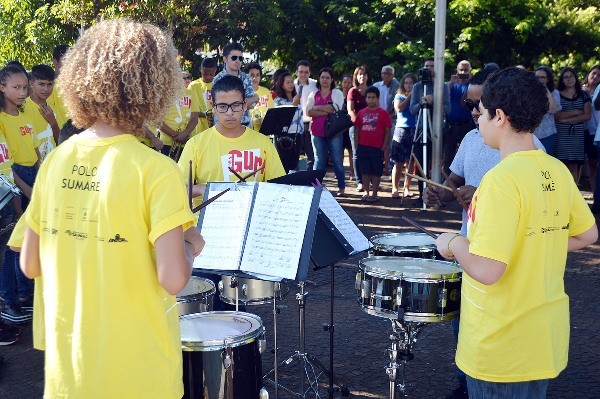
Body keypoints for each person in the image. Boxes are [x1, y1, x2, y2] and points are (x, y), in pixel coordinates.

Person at [19, 19, 205, 398]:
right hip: (138, 372)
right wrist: (189, 245)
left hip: (69, 374)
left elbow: (30, 264)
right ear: (155, 86)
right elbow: (173, 279)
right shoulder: (156, 169)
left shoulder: (55, 161)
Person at [435, 67, 597, 399]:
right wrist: (537, 242)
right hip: (543, 340)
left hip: (501, 348)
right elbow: (588, 235)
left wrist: (452, 243)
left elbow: (488, 269)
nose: (477, 120)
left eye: (481, 113)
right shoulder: (555, 169)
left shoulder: (499, 180)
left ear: (500, 117)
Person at [424, 67, 545, 399]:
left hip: (496, 264)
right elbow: (454, 180)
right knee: (462, 327)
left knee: (497, 346)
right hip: (473, 254)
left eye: (480, 106)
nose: (475, 113)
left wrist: (454, 242)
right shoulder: (470, 138)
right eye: (470, 105)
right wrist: (444, 193)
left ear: (499, 110)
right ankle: (468, 386)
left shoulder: (531, 153)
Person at [178, 74, 284, 311]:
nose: (230, 113)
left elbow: (279, 190)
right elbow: (174, 193)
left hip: (246, 237)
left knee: (238, 311)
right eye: (223, 106)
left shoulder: (262, 143)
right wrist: (199, 189)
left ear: (244, 105)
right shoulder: (196, 144)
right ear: (213, 107)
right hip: (205, 240)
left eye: (236, 105)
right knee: (205, 310)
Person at [409, 57, 451, 199]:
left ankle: (436, 195)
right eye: (426, 66)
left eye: (432, 66)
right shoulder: (417, 87)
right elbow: (412, 109)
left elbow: (448, 109)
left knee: (437, 164)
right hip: (421, 130)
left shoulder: (443, 86)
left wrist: (434, 101)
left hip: (437, 130)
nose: (429, 69)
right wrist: (422, 103)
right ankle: (422, 195)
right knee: (421, 165)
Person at [306, 67, 346, 196]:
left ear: (332, 79)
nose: (325, 80)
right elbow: (308, 111)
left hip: (334, 132)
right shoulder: (313, 94)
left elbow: (335, 109)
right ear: (319, 78)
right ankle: (316, 187)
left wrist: (316, 108)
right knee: (319, 161)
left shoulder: (337, 93)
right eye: (322, 77)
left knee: (337, 160)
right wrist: (324, 109)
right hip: (316, 132)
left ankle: (341, 187)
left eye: (328, 77)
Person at [554, 67, 592, 182]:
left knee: (574, 165)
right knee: (560, 164)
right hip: (561, 135)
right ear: (562, 80)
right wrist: (576, 112)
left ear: (575, 78)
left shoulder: (584, 95)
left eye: (571, 76)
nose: (569, 79)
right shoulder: (557, 94)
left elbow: (587, 116)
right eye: (565, 77)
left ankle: (573, 194)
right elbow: (557, 115)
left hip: (577, 136)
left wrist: (566, 119)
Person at [354, 86, 391, 202]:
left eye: (373, 97)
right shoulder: (361, 113)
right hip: (362, 147)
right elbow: (357, 130)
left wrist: (383, 147)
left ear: (378, 98)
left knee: (376, 172)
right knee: (364, 171)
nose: (371, 100)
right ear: (365, 99)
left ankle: (374, 193)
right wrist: (356, 146)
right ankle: (366, 192)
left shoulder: (383, 113)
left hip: (377, 148)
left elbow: (387, 130)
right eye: (368, 97)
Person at [155, 71, 200, 161]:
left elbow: (195, 118)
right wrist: (176, 136)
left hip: (188, 140)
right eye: (183, 78)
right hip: (167, 142)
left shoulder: (191, 93)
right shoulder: (161, 95)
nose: (186, 80)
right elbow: (158, 120)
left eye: (188, 77)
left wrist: (184, 134)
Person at [212, 42, 258, 127]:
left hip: (245, 125)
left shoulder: (247, 78)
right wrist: (255, 98)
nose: (238, 61)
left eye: (240, 58)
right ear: (225, 59)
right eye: (234, 58)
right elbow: (221, 106)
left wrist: (249, 101)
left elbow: (251, 105)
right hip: (223, 126)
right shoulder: (218, 79)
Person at [23, 64, 60, 160]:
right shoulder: (22, 109)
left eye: (49, 84)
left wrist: (53, 123)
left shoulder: (54, 110)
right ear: (31, 84)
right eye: (41, 84)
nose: (46, 89)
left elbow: (61, 142)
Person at [443, 60, 474, 175]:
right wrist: (451, 83)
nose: (463, 72)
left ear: (470, 71)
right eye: (461, 70)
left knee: (468, 156)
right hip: (450, 125)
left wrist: (471, 82)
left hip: (466, 125)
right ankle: (445, 183)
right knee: (448, 157)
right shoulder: (449, 85)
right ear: (457, 71)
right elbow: (441, 97)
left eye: (466, 70)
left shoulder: (472, 85)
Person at [391, 73, 417, 198]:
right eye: (406, 83)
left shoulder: (417, 96)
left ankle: (406, 188)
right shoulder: (399, 96)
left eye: (410, 83)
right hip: (401, 130)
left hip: (414, 129)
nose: (408, 85)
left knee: (410, 162)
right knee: (399, 162)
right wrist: (409, 96)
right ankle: (395, 188)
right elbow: (399, 108)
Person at [347, 66, 372, 191]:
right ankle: (359, 181)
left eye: (364, 74)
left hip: (371, 127)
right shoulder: (352, 91)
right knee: (356, 154)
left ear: (368, 76)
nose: (362, 77)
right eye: (359, 74)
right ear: (356, 77)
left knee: (370, 153)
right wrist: (358, 122)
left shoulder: (371, 91)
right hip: (355, 126)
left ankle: (370, 179)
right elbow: (350, 110)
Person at [273, 71, 303, 172]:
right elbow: (283, 117)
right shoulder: (278, 100)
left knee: (294, 163)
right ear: (282, 84)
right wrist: (293, 105)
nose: (291, 84)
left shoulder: (296, 98)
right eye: (288, 82)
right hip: (284, 135)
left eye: (291, 82)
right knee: (284, 164)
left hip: (297, 135)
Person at [294, 60, 317, 171]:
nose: (303, 74)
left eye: (306, 72)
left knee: (311, 155)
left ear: (309, 73)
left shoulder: (315, 84)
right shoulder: (291, 85)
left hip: (310, 123)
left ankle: (309, 179)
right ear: (296, 72)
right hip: (295, 124)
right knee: (295, 154)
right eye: (301, 72)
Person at [533, 66, 561, 155]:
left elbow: (553, 109)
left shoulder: (554, 93)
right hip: (531, 134)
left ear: (548, 79)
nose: (540, 79)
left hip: (548, 134)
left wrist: (545, 89)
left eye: (542, 77)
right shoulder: (529, 92)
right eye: (537, 77)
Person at [582, 65, 600, 192]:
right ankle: (594, 194)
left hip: (596, 132)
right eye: (594, 73)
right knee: (591, 165)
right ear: (588, 74)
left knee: (596, 164)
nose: (595, 77)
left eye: (599, 75)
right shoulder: (579, 90)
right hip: (582, 131)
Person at [189, 57, 218, 135]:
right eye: (205, 74)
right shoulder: (193, 86)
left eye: (211, 74)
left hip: (217, 128)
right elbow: (189, 109)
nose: (208, 76)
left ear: (215, 70)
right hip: (198, 129)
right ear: (200, 69)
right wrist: (206, 115)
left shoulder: (219, 84)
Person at [245, 62, 274, 132]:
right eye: (252, 75)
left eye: (257, 75)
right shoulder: (242, 93)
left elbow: (272, 111)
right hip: (248, 133)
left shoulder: (266, 91)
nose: (255, 78)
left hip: (264, 133)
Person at [340, 74, 355, 180]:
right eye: (344, 82)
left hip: (350, 125)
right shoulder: (337, 94)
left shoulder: (353, 96)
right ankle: (340, 173)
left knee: (351, 150)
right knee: (339, 150)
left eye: (349, 82)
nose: (346, 84)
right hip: (339, 127)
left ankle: (352, 173)